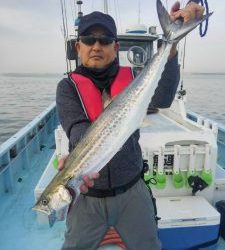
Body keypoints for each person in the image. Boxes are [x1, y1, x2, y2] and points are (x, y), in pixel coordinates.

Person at [56, 2, 204, 250]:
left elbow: (164, 98)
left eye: (104, 40)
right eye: (89, 39)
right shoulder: (67, 87)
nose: (96, 46)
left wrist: (172, 45)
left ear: (115, 47)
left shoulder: (135, 80)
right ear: (78, 46)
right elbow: (77, 130)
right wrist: (78, 161)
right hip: (87, 197)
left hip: (132, 191)